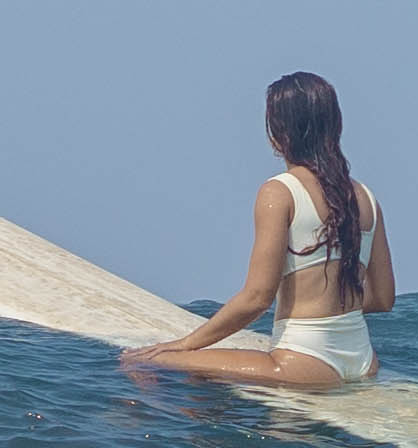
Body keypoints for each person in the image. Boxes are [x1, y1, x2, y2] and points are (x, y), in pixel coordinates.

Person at [122, 72, 395, 391]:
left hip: (305, 360)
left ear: (277, 133)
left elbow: (256, 297)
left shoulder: (280, 192)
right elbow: (384, 298)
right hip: (363, 360)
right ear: (336, 125)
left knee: (142, 361)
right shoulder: (365, 197)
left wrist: (186, 344)